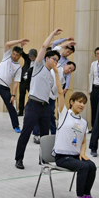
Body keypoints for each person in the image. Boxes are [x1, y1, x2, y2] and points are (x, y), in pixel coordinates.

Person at [14, 29, 62, 169]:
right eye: (53, 59)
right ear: (47, 59)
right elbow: (43, 46)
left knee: (45, 136)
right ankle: (19, 159)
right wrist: (52, 33)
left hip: (45, 106)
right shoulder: (38, 67)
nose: (55, 62)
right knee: (26, 132)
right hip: (33, 104)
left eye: (57, 61)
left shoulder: (53, 75)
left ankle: (44, 159)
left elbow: (55, 93)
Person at [51, 66, 97, 198]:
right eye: (79, 102)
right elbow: (60, 91)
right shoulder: (64, 114)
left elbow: (84, 141)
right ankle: (79, 197)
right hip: (62, 157)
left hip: (75, 156)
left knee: (91, 166)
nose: (82, 105)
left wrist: (83, 153)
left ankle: (87, 195)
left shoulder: (83, 122)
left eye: (84, 103)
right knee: (83, 167)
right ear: (72, 102)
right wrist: (58, 73)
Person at [0, 38, 29, 133]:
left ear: (20, 56)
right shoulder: (7, 56)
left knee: (11, 107)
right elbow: (7, 43)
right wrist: (19, 41)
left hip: (5, 88)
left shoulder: (18, 68)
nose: (14, 56)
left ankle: (16, 126)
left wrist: (13, 95)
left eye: (17, 55)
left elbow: (16, 82)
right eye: (13, 54)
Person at [18, 48, 37, 116]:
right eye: (30, 57)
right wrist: (21, 46)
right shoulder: (27, 58)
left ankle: (29, 110)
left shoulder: (38, 62)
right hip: (23, 80)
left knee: (32, 96)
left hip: (31, 82)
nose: (31, 58)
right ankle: (20, 111)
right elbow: (22, 53)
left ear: (36, 56)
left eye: (33, 57)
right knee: (21, 96)